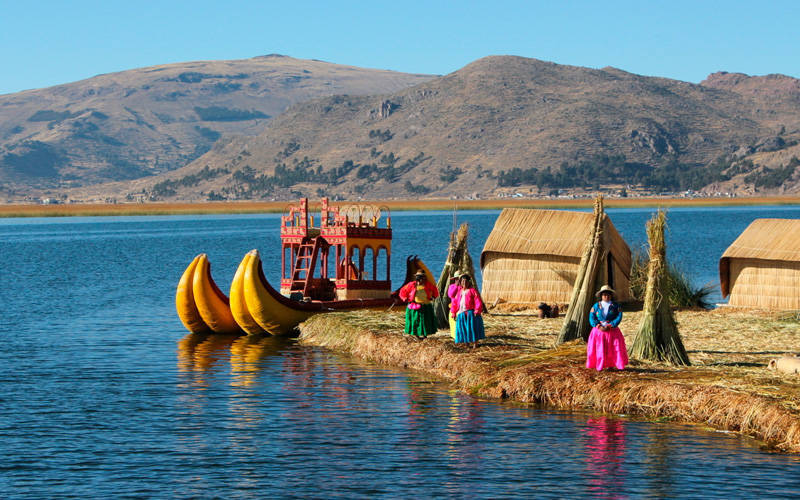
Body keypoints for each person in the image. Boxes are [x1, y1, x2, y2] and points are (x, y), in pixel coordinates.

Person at [586, 285, 628, 371]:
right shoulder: (596, 306)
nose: (606, 296)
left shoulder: (615, 306)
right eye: (604, 294)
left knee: (612, 348)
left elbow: (619, 316)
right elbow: (592, 317)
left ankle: (611, 365)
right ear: (601, 296)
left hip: (612, 331)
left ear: (611, 295)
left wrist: (611, 325)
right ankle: (599, 365)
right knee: (600, 348)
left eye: (608, 294)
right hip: (598, 332)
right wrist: (598, 326)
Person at [398, 270, 439, 339]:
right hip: (415, 306)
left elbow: (435, 291)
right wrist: (404, 298)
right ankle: (416, 335)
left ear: (424, 278)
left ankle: (424, 335)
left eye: (422, 277)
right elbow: (402, 291)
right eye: (418, 277)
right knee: (415, 321)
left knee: (425, 321)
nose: (420, 279)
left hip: (425, 306)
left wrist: (433, 297)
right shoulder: (412, 285)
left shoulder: (428, 285)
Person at [448, 274, 485, 348]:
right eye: (462, 281)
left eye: (466, 281)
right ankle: (467, 344)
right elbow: (455, 303)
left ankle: (475, 343)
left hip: (470, 313)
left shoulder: (472, 291)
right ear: (460, 282)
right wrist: (454, 312)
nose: (464, 282)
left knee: (472, 328)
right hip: (461, 313)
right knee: (464, 329)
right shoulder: (459, 292)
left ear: (469, 282)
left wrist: (477, 310)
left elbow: (477, 300)